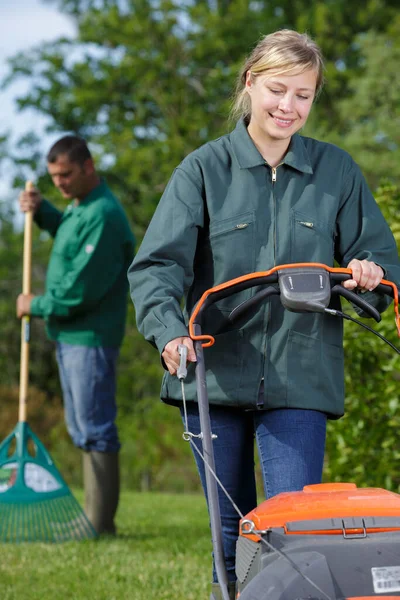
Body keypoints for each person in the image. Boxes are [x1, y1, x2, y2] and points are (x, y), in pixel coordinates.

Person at [128, 30, 400, 599]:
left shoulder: (338, 172)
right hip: (212, 373)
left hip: (301, 375)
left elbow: (379, 264)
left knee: (293, 532)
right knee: (229, 534)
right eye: (278, 89)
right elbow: (156, 267)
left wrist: (369, 275)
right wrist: (169, 332)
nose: (288, 107)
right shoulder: (202, 171)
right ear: (249, 84)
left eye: (304, 95)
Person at [17, 135, 135, 535]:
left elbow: (77, 291)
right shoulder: (79, 208)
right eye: (53, 177)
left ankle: (99, 523)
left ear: (88, 167)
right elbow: (67, 232)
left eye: (66, 175)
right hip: (70, 337)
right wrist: (42, 211)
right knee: (81, 426)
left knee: (94, 427)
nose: (60, 183)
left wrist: (33, 304)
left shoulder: (103, 215)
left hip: (91, 337)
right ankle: (92, 517)